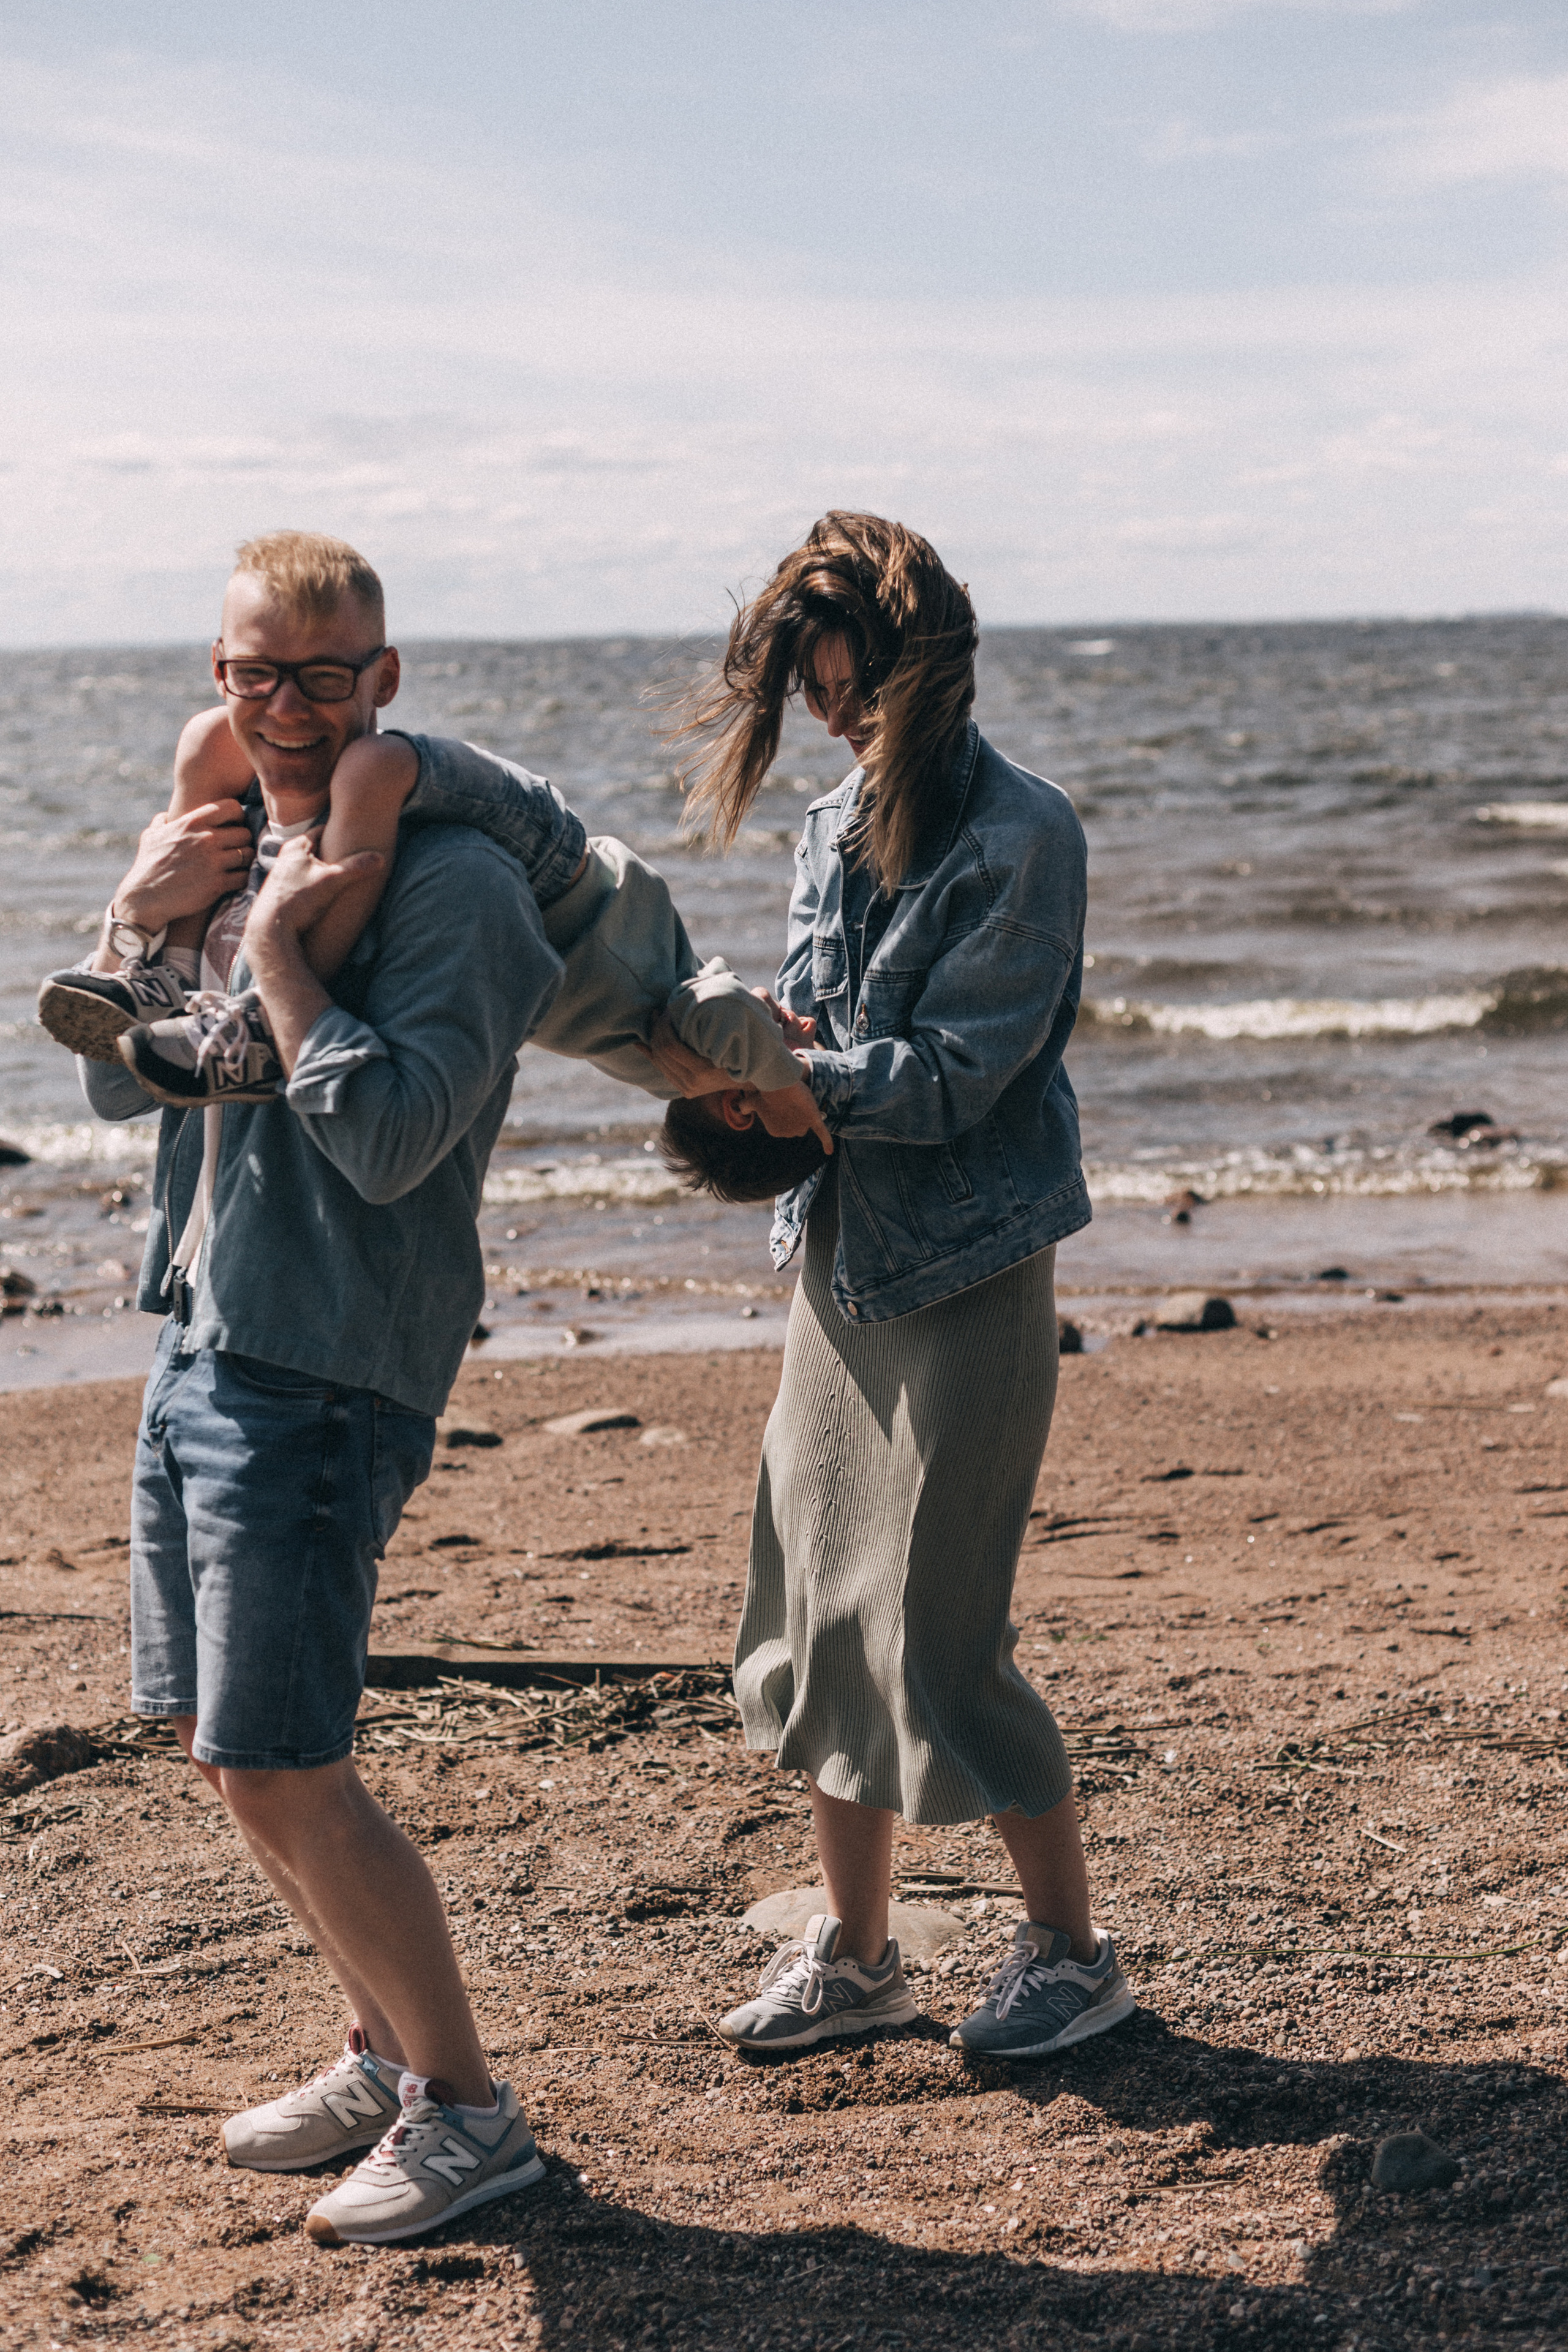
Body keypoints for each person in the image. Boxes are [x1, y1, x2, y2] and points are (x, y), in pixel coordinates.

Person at [74, 531, 589, 2246]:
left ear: (386, 684)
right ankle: (382, 2051)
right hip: (202, 1334)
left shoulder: (459, 894)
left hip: (323, 1356)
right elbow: (118, 1105)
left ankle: (469, 2112)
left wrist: (284, 965)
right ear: (217, 678)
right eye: (250, 674)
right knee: (228, 1755)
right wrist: (149, 919)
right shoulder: (231, 846)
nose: (282, 709)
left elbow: (383, 1146)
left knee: (287, 1759)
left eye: (320, 675)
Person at [657, 511, 1136, 2060]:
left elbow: (965, 1075)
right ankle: (857, 1957)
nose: (824, 715)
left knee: (938, 1631)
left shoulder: (1025, 834)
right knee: (811, 1614)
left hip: (975, 1260)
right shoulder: (824, 830)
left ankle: (1068, 1951)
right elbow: (821, 1029)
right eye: (805, 687)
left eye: (843, 683)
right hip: (841, 1262)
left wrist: (803, 1083)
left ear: (920, 662)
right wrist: (737, 1070)